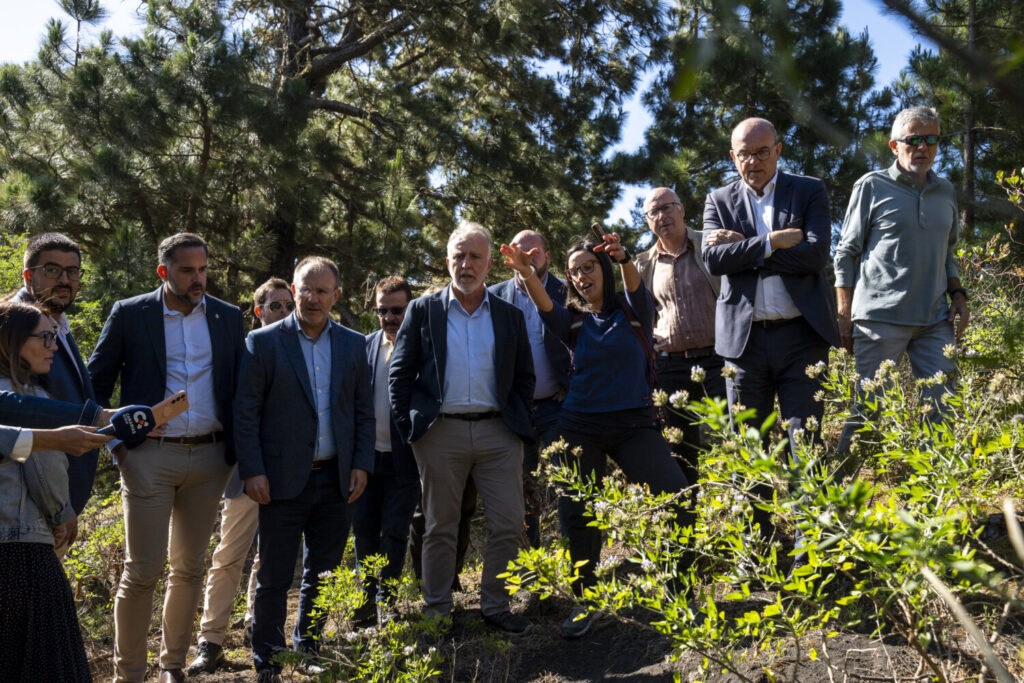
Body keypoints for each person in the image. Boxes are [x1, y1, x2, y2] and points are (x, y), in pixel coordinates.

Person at [501, 232, 693, 639]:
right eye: (574, 272)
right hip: (580, 426)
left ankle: (680, 594)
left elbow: (634, 286)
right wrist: (528, 272)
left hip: (634, 426)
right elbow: (544, 303)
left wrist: (623, 258)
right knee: (577, 514)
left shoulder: (634, 309)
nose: (581, 276)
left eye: (588, 267)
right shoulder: (571, 320)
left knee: (676, 496)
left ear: (603, 268)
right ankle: (587, 602)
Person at [89, 232, 244, 683]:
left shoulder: (227, 316)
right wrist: (116, 442)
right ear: (163, 272)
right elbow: (95, 384)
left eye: (203, 270)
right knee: (142, 570)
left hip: (211, 458)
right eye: (187, 270)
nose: (198, 279)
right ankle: (129, 675)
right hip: (148, 458)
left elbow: (240, 386)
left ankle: (172, 665)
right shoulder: (130, 313)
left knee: (189, 568)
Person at [389, 222, 535, 636]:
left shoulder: (508, 314)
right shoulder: (424, 310)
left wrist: (516, 422)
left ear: (489, 264)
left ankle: (495, 605)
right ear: (447, 260)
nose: (466, 264)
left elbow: (524, 376)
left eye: (475, 256)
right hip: (440, 434)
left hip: (498, 433)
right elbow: (399, 376)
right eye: (459, 256)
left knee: (508, 522)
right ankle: (437, 611)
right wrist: (413, 431)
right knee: (440, 526)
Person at [234, 256, 374, 682]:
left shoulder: (354, 344)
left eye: (322, 291)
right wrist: (253, 470)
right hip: (279, 480)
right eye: (305, 289)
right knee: (274, 576)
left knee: (323, 574)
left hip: (337, 478)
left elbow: (363, 411)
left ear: (336, 295)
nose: (312, 298)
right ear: (293, 291)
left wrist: (361, 464)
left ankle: (308, 647)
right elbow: (245, 413)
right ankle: (269, 659)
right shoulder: (263, 342)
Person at [701, 117, 840, 543]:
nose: (754, 161)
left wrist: (743, 249)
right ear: (733, 157)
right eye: (744, 154)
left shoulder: (809, 190)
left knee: (806, 443)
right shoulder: (718, 199)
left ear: (778, 151)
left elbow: (815, 256)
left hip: (802, 339)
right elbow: (713, 261)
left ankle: (809, 550)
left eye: (762, 152)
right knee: (750, 449)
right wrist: (771, 242)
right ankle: (758, 549)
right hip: (743, 346)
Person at [834, 106, 969, 457]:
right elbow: (846, 252)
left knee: (942, 410)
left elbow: (947, 251)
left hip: (934, 321)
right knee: (869, 413)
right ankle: (838, 487)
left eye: (930, 139)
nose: (922, 147)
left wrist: (958, 293)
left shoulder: (945, 191)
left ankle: (930, 490)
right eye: (913, 140)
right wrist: (844, 313)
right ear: (894, 145)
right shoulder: (871, 185)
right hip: (879, 320)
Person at [187, 277, 295, 675]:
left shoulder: (301, 349)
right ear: (258, 311)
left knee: (272, 558)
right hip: (244, 471)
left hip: (288, 471)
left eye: (289, 306)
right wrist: (249, 467)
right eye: (276, 306)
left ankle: (255, 625)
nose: (284, 312)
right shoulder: (243, 350)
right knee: (229, 555)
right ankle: (210, 641)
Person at [0, 301, 106, 683]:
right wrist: (63, 512)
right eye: (45, 337)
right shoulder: (26, 398)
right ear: (14, 342)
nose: (54, 347)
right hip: (23, 551)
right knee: (47, 662)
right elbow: (44, 469)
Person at [636, 189, 725, 488]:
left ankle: (739, 506)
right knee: (681, 450)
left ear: (682, 209)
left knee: (729, 438)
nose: (661, 216)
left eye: (667, 207)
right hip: (671, 368)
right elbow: (640, 313)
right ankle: (690, 511)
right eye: (653, 212)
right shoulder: (644, 264)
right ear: (648, 221)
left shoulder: (710, 244)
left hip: (719, 361)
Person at [489, 229, 571, 547]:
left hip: (557, 405)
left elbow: (585, 340)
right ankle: (531, 557)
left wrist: (572, 385)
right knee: (522, 487)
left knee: (568, 482)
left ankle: (574, 552)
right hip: (515, 410)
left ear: (547, 257)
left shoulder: (567, 291)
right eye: (519, 251)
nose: (525, 257)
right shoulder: (494, 297)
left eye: (533, 252)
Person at [10, 233, 100, 517]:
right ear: (28, 276)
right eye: (52, 270)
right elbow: (25, 416)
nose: (64, 280)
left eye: (72, 271)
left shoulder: (57, 322)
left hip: (60, 496)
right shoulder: (14, 328)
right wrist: (59, 509)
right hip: (27, 505)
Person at [352, 276, 420, 625]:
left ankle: (387, 603)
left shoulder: (423, 347)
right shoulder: (362, 346)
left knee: (395, 531)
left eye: (397, 310)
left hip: (405, 458)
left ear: (410, 308)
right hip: (366, 459)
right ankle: (365, 604)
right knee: (364, 533)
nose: (390, 317)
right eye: (383, 311)